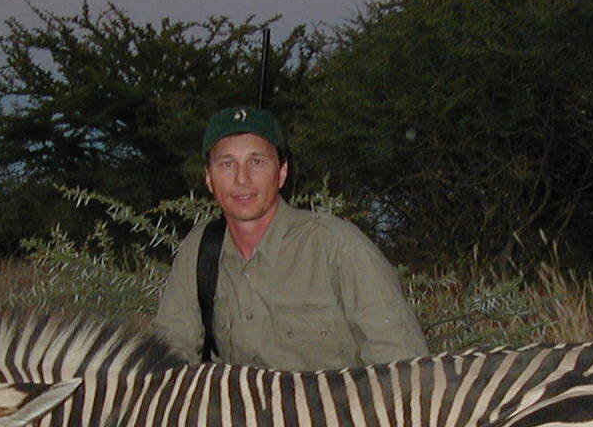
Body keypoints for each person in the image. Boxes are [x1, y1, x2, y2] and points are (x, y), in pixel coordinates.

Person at [152, 106, 428, 370]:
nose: (242, 179)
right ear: (209, 178)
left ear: (282, 172)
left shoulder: (339, 247)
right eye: (227, 164)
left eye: (256, 162)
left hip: (334, 415)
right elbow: (170, 354)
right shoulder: (200, 249)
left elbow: (403, 366)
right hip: (237, 416)